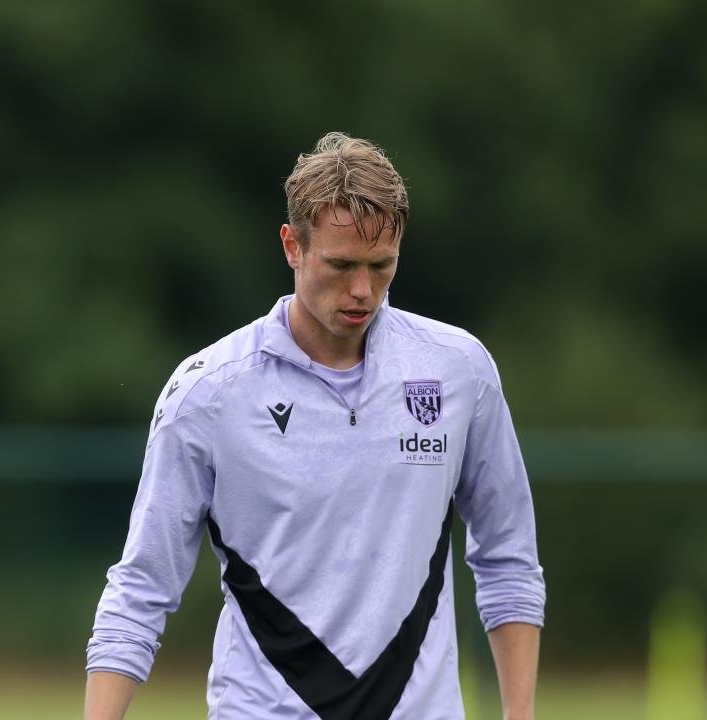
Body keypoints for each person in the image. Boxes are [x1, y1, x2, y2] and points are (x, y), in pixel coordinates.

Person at [85, 132, 546, 720]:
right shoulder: (208, 393)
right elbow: (141, 588)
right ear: (292, 247)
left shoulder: (458, 371)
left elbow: (508, 554)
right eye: (341, 264)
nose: (363, 290)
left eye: (382, 266)